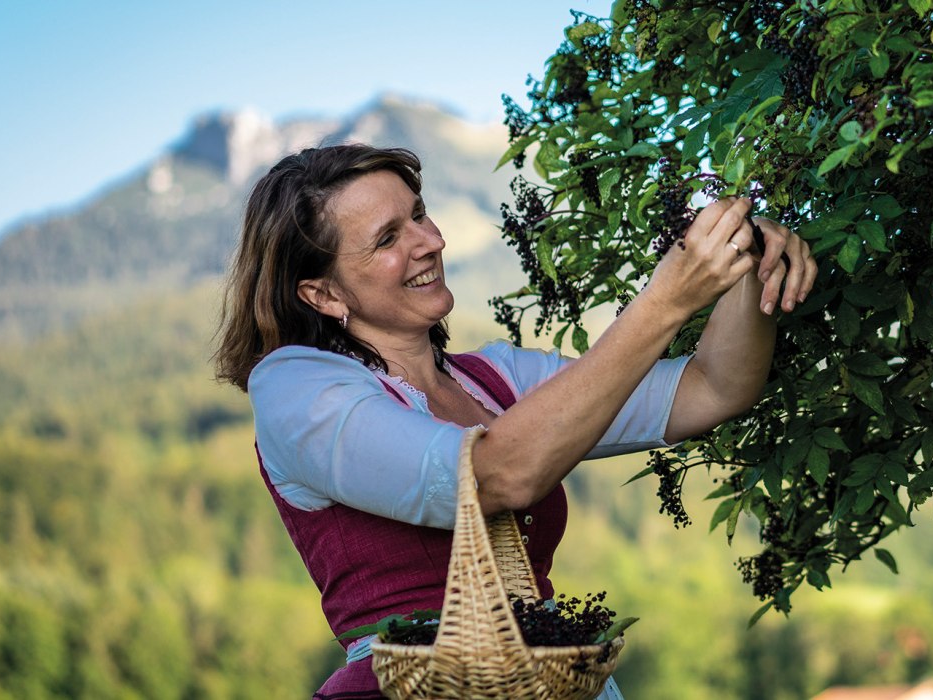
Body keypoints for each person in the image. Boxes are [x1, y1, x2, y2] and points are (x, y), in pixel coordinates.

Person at [213, 144, 817, 699]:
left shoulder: (494, 379)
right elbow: (494, 478)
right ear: (322, 296)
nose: (429, 240)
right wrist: (666, 300)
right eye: (388, 237)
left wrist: (750, 263)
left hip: (546, 681)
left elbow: (710, 388)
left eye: (420, 214)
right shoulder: (293, 385)